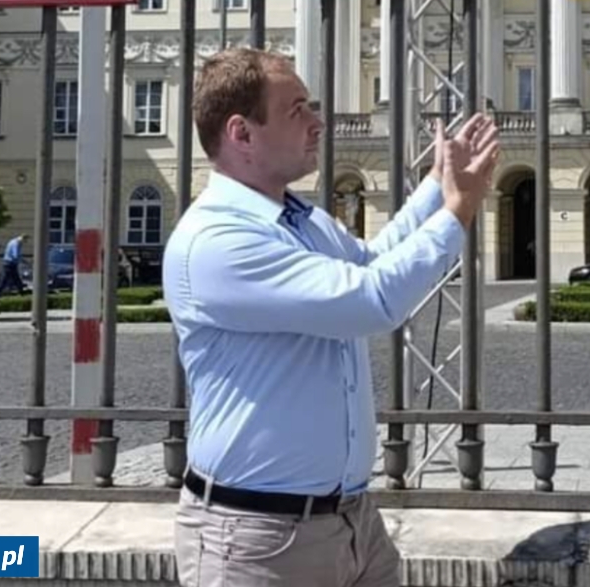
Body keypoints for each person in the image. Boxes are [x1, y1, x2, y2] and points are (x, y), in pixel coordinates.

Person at [164, 47, 499, 587]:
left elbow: (371, 261)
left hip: (351, 524)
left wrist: (438, 184)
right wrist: (458, 212)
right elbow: (372, 300)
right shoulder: (216, 240)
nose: (318, 123)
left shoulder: (300, 219)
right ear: (241, 133)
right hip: (256, 539)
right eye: (297, 110)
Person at [0, 232, 26, 298]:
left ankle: (22, 294)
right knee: (4, 281)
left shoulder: (12, 241)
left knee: (17, 280)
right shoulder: (16, 244)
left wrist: (22, 260)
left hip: (9, 263)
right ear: (22, 239)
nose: (24, 243)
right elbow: (15, 255)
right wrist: (22, 261)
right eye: (24, 241)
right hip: (10, 264)